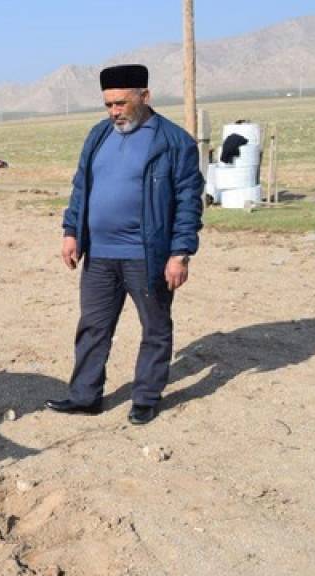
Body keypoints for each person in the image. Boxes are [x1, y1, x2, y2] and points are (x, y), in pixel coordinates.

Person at [47, 64, 203, 425]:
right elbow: (81, 186)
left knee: (155, 328)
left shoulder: (174, 142)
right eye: (108, 105)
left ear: (144, 96)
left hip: (147, 256)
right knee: (93, 327)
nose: (114, 112)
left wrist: (180, 254)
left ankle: (146, 398)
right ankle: (85, 396)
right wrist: (71, 231)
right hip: (99, 255)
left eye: (121, 103)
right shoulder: (98, 135)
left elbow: (188, 202)